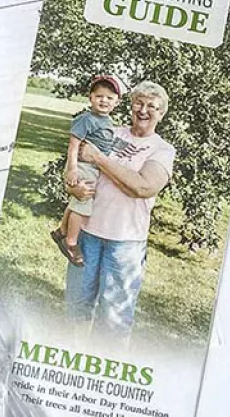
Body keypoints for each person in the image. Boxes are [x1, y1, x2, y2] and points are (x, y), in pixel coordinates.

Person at [65, 80, 175, 344]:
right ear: (130, 105)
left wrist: (101, 159)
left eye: (152, 106)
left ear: (161, 113)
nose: (144, 110)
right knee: (77, 306)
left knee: (114, 318)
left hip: (125, 242)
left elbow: (143, 186)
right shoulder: (110, 131)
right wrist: (73, 187)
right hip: (87, 235)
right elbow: (76, 163)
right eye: (139, 103)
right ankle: (76, 355)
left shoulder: (162, 149)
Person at [51, 76, 122, 267]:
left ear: (117, 102)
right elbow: (73, 146)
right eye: (99, 96)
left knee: (77, 201)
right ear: (90, 98)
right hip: (83, 165)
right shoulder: (85, 119)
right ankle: (71, 242)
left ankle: (61, 232)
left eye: (109, 97)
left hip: (93, 166)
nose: (103, 101)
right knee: (83, 203)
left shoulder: (107, 121)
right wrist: (72, 169)